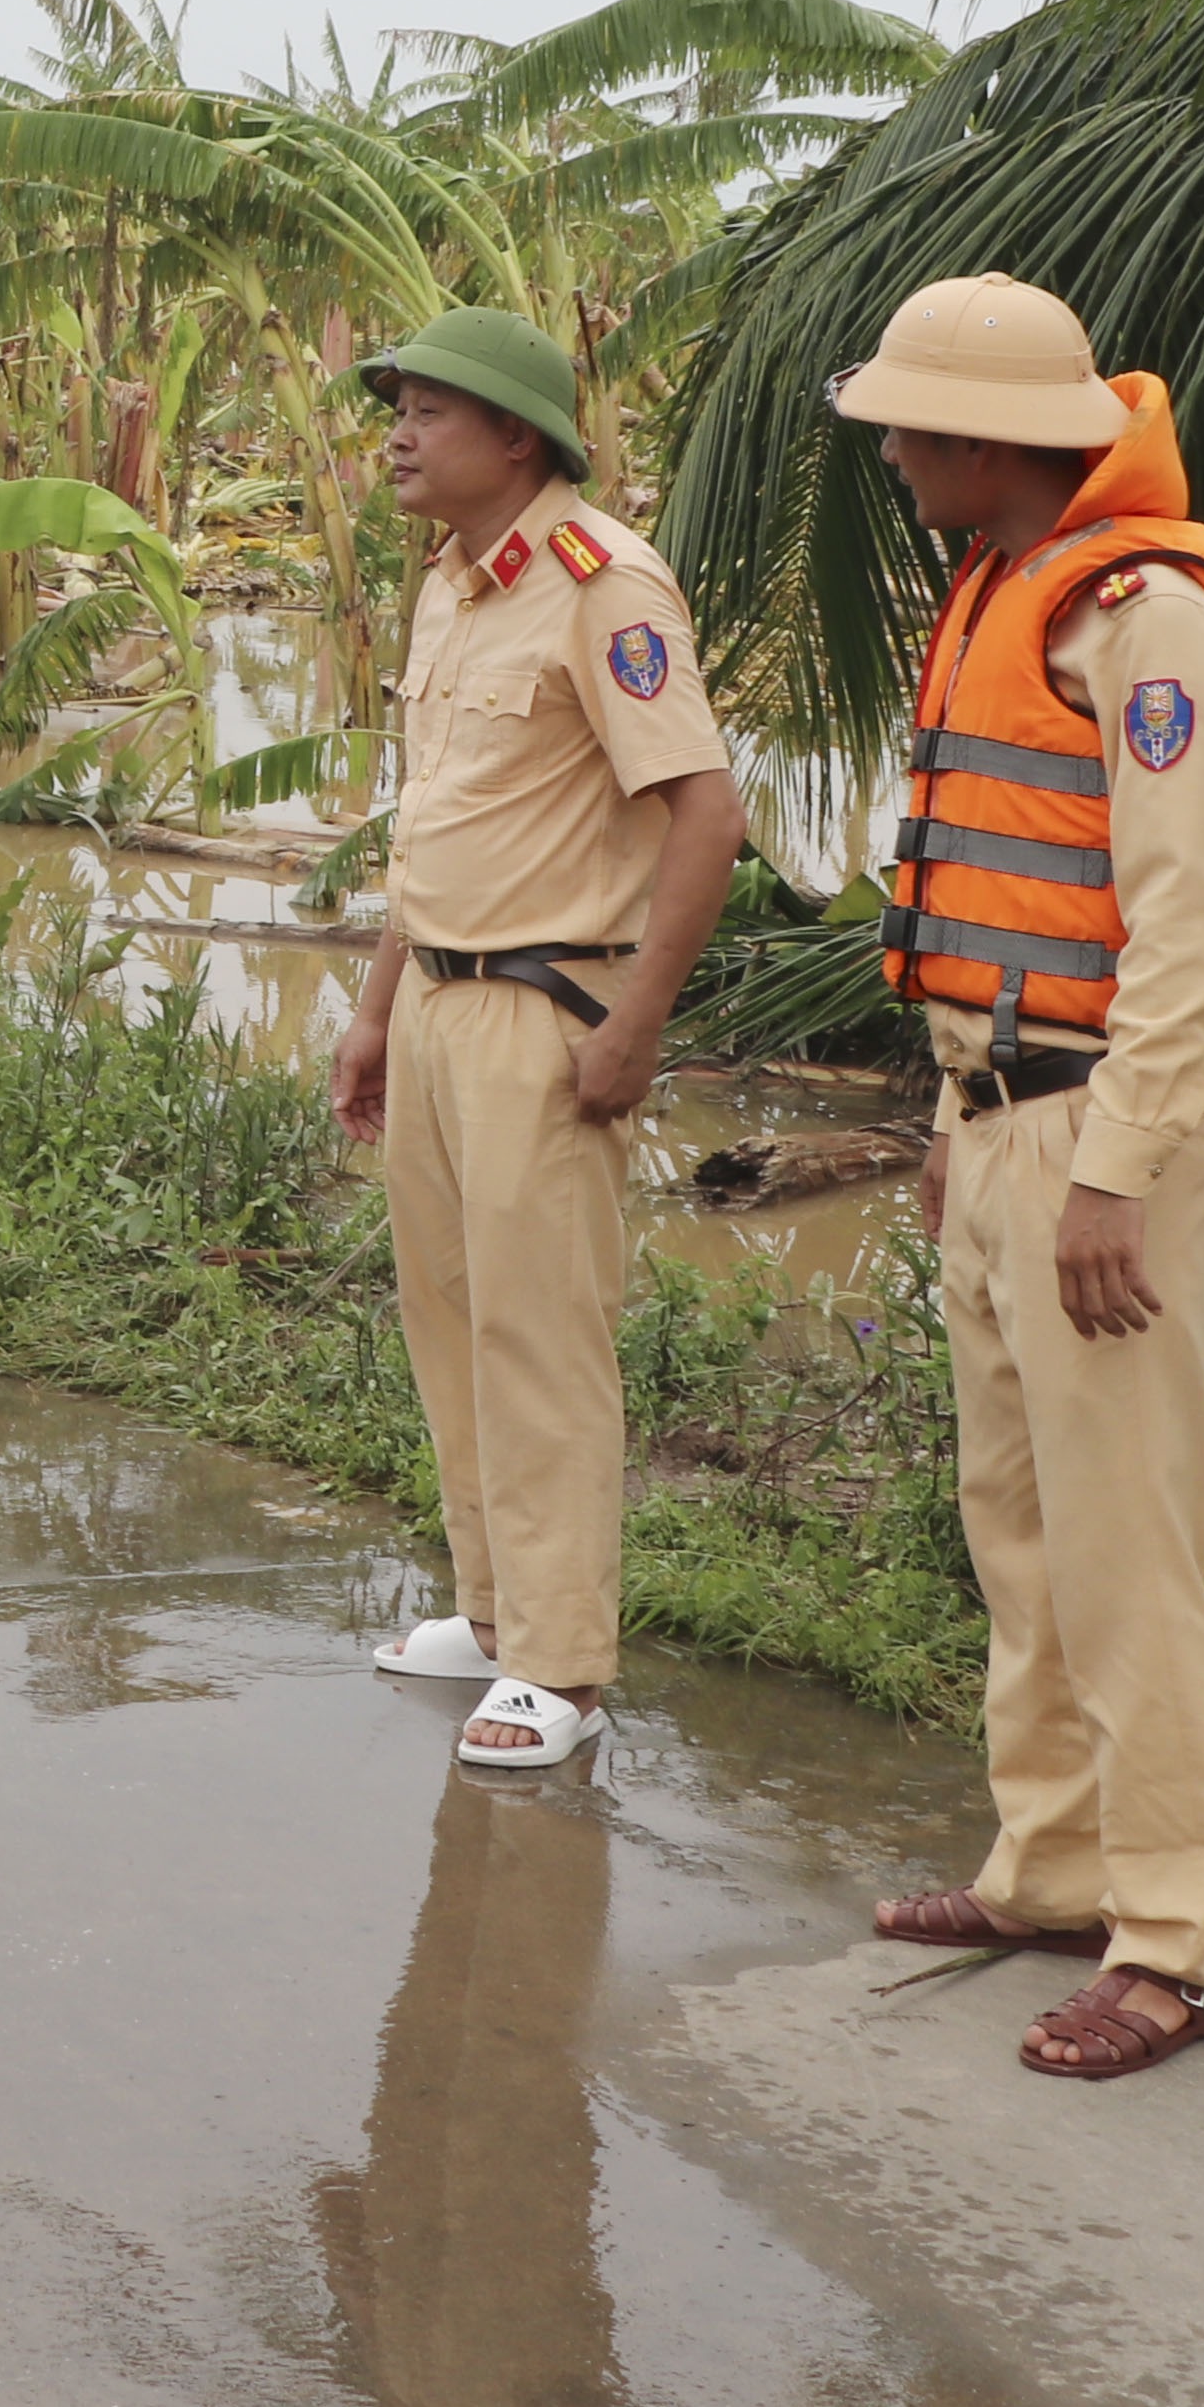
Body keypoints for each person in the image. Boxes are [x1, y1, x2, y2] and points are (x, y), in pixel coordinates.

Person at [829, 273, 1204, 2079]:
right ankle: (1053, 1865)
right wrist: (954, 1133)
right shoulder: (1001, 592)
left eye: (910, 427)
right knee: (1018, 1525)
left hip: (1110, 1138)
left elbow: (1191, 933)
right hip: (994, 1117)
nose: (894, 455)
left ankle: (1173, 1942)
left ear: (986, 439)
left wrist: (1111, 1175)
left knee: (1127, 1549)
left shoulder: (1151, 617)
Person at [328, 305, 747, 1774]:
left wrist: (638, 1023)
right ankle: (497, 1614)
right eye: (396, 407)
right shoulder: (454, 584)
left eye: (427, 411)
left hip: (543, 1011)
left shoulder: (604, 587)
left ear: (516, 435)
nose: (396, 434)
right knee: (448, 1317)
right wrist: (377, 1008)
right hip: (439, 997)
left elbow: (706, 812)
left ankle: (563, 1663)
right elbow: (437, 814)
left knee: (539, 1336)